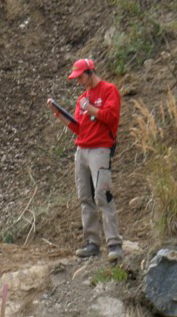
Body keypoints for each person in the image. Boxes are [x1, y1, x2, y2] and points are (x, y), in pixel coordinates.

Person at [48, 58, 123, 260]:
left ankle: (114, 243)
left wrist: (89, 108)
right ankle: (92, 243)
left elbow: (111, 116)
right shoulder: (82, 98)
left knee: (103, 195)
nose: (79, 82)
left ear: (90, 72)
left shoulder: (109, 90)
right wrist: (59, 115)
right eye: (77, 78)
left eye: (81, 77)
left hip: (100, 149)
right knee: (85, 197)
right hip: (82, 149)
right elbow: (78, 128)